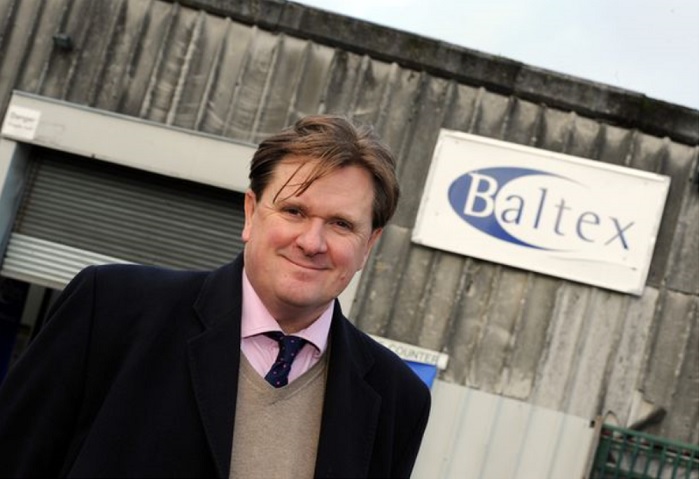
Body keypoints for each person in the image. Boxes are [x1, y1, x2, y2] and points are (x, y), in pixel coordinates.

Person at [0, 115, 431, 478]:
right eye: (294, 211)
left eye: (341, 224)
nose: (312, 242)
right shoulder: (111, 310)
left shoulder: (398, 399)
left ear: (369, 244)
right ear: (250, 212)